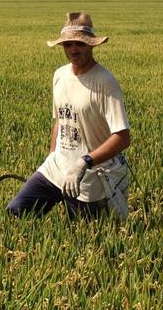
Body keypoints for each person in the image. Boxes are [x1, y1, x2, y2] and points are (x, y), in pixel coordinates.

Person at [7, 12, 131, 220]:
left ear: (91, 45)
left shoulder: (104, 82)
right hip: (58, 166)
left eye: (79, 44)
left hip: (91, 173)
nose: (73, 49)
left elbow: (122, 137)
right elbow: (60, 122)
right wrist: (52, 155)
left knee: (82, 233)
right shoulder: (60, 75)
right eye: (68, 45)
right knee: (18, 211)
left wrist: (84, 162)